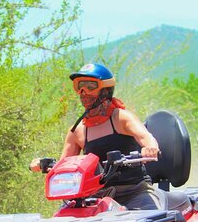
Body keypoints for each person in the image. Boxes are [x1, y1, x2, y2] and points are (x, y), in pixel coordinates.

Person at [30, 63, 161, 210]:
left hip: (133, 192)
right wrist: (45, 164)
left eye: (90, 86)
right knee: (61, 221)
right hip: (95, 197)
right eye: (80, 86)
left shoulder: (121, 118)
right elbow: (64, 165)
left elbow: (146, 137)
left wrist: (150, 147)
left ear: (105, 89)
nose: (83, 92)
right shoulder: (77, 131)